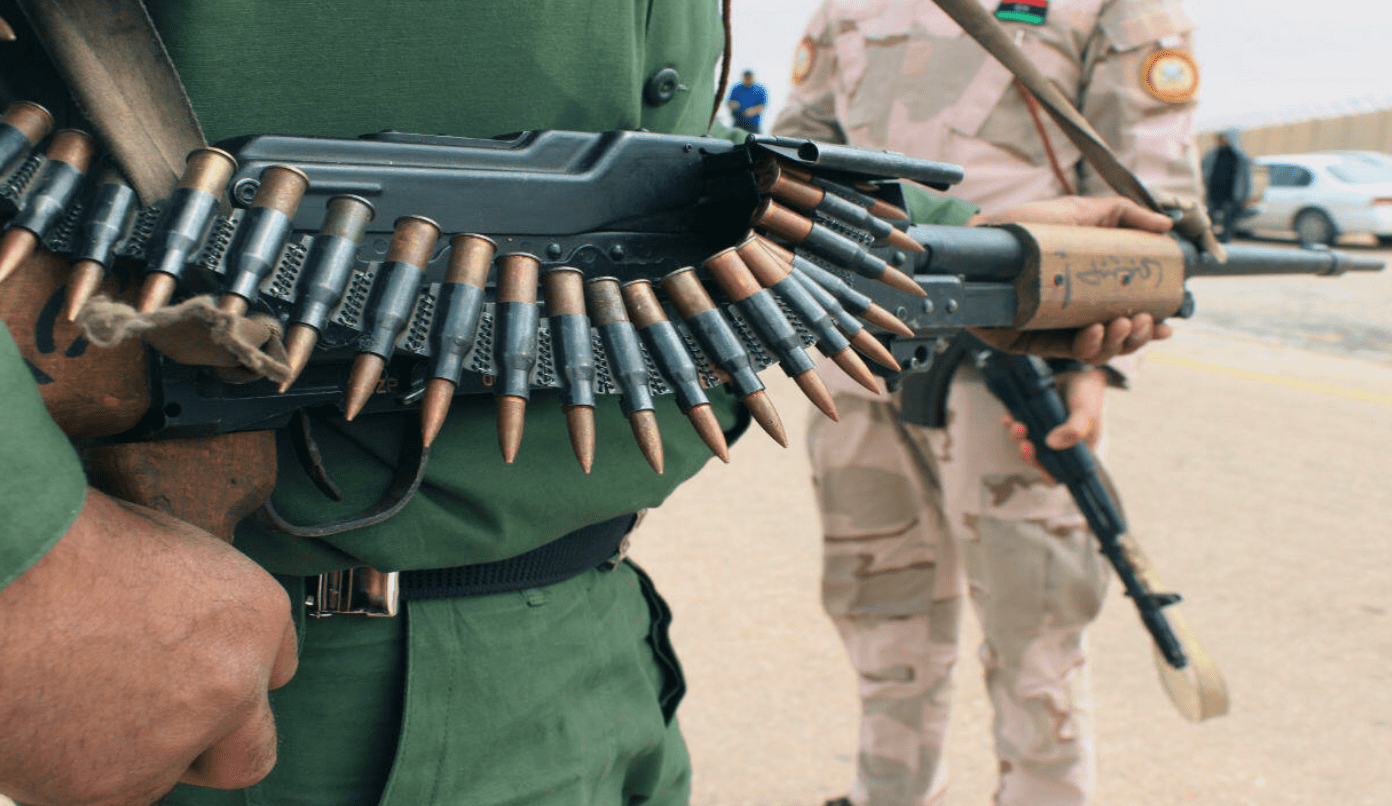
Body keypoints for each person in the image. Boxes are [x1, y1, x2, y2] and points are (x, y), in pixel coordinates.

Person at [0, 3, 1170, 806]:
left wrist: (960, 255)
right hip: (258, 672)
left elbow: (650, 193)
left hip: (591, 656)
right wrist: (28, 556)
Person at [772, 2, 1203, 805]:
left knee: (1034, 634)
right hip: (858, 358)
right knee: (882, 621)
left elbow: (1148, 201)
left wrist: (1091, 368)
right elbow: (794, 157)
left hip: (1015, 367)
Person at [1202, 128, 1254, 243]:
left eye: (1223, 138)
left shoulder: (1239, 157)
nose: (1220, 141)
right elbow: (1204, 170)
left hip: (1230, 194)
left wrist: (1246, 196)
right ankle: (1208, 238)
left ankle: (1226, 238)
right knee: (1209, 217)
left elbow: (1246, 179)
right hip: (1214, 192)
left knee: (1228, 218)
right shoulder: (1212, 154)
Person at [726, 69, 769, 133]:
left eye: (749, 78)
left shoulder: (760, 89)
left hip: (753, 124)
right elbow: (729, 103)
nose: (748, 80)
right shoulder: (736, 88)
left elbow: (762, 107)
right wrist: (734, 105)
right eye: (746, 78)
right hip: (738, 122)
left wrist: (750, 112)